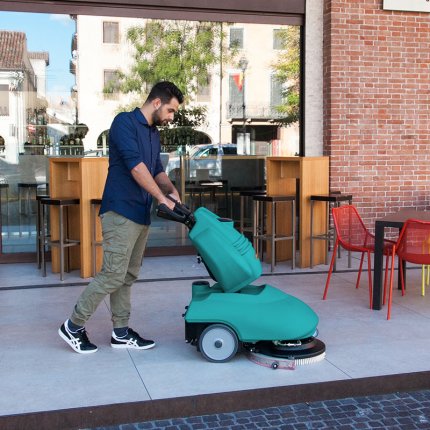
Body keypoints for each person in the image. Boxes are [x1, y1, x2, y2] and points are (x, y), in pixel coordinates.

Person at [59, 81, 184, 354]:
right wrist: (161, 200)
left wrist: (171, 190)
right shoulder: (124, 123)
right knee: (113, 274)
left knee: (127, 275)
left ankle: (121, 331)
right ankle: (73, 325)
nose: (172, 118)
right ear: (156, 102)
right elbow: (137, 169)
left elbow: (155, 169)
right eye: (171, 111)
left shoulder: (153, 133)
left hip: (140, 214)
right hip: (120, 211)